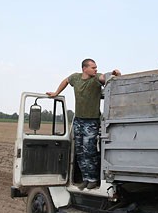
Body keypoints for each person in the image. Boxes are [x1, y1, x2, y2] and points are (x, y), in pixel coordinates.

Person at [47, 58, 121, 190]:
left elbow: (104, 78)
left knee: (90, 151)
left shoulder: (96, 78)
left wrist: (115, 74)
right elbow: (66, 81)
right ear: (84, 68)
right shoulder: (75, 78)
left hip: (91, 122)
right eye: (93, 67)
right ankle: (85, 178)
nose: (95, 69)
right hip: (78, 121)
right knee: (80, 151)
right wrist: (56, 93)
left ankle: (93, 179)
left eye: (96, 67)